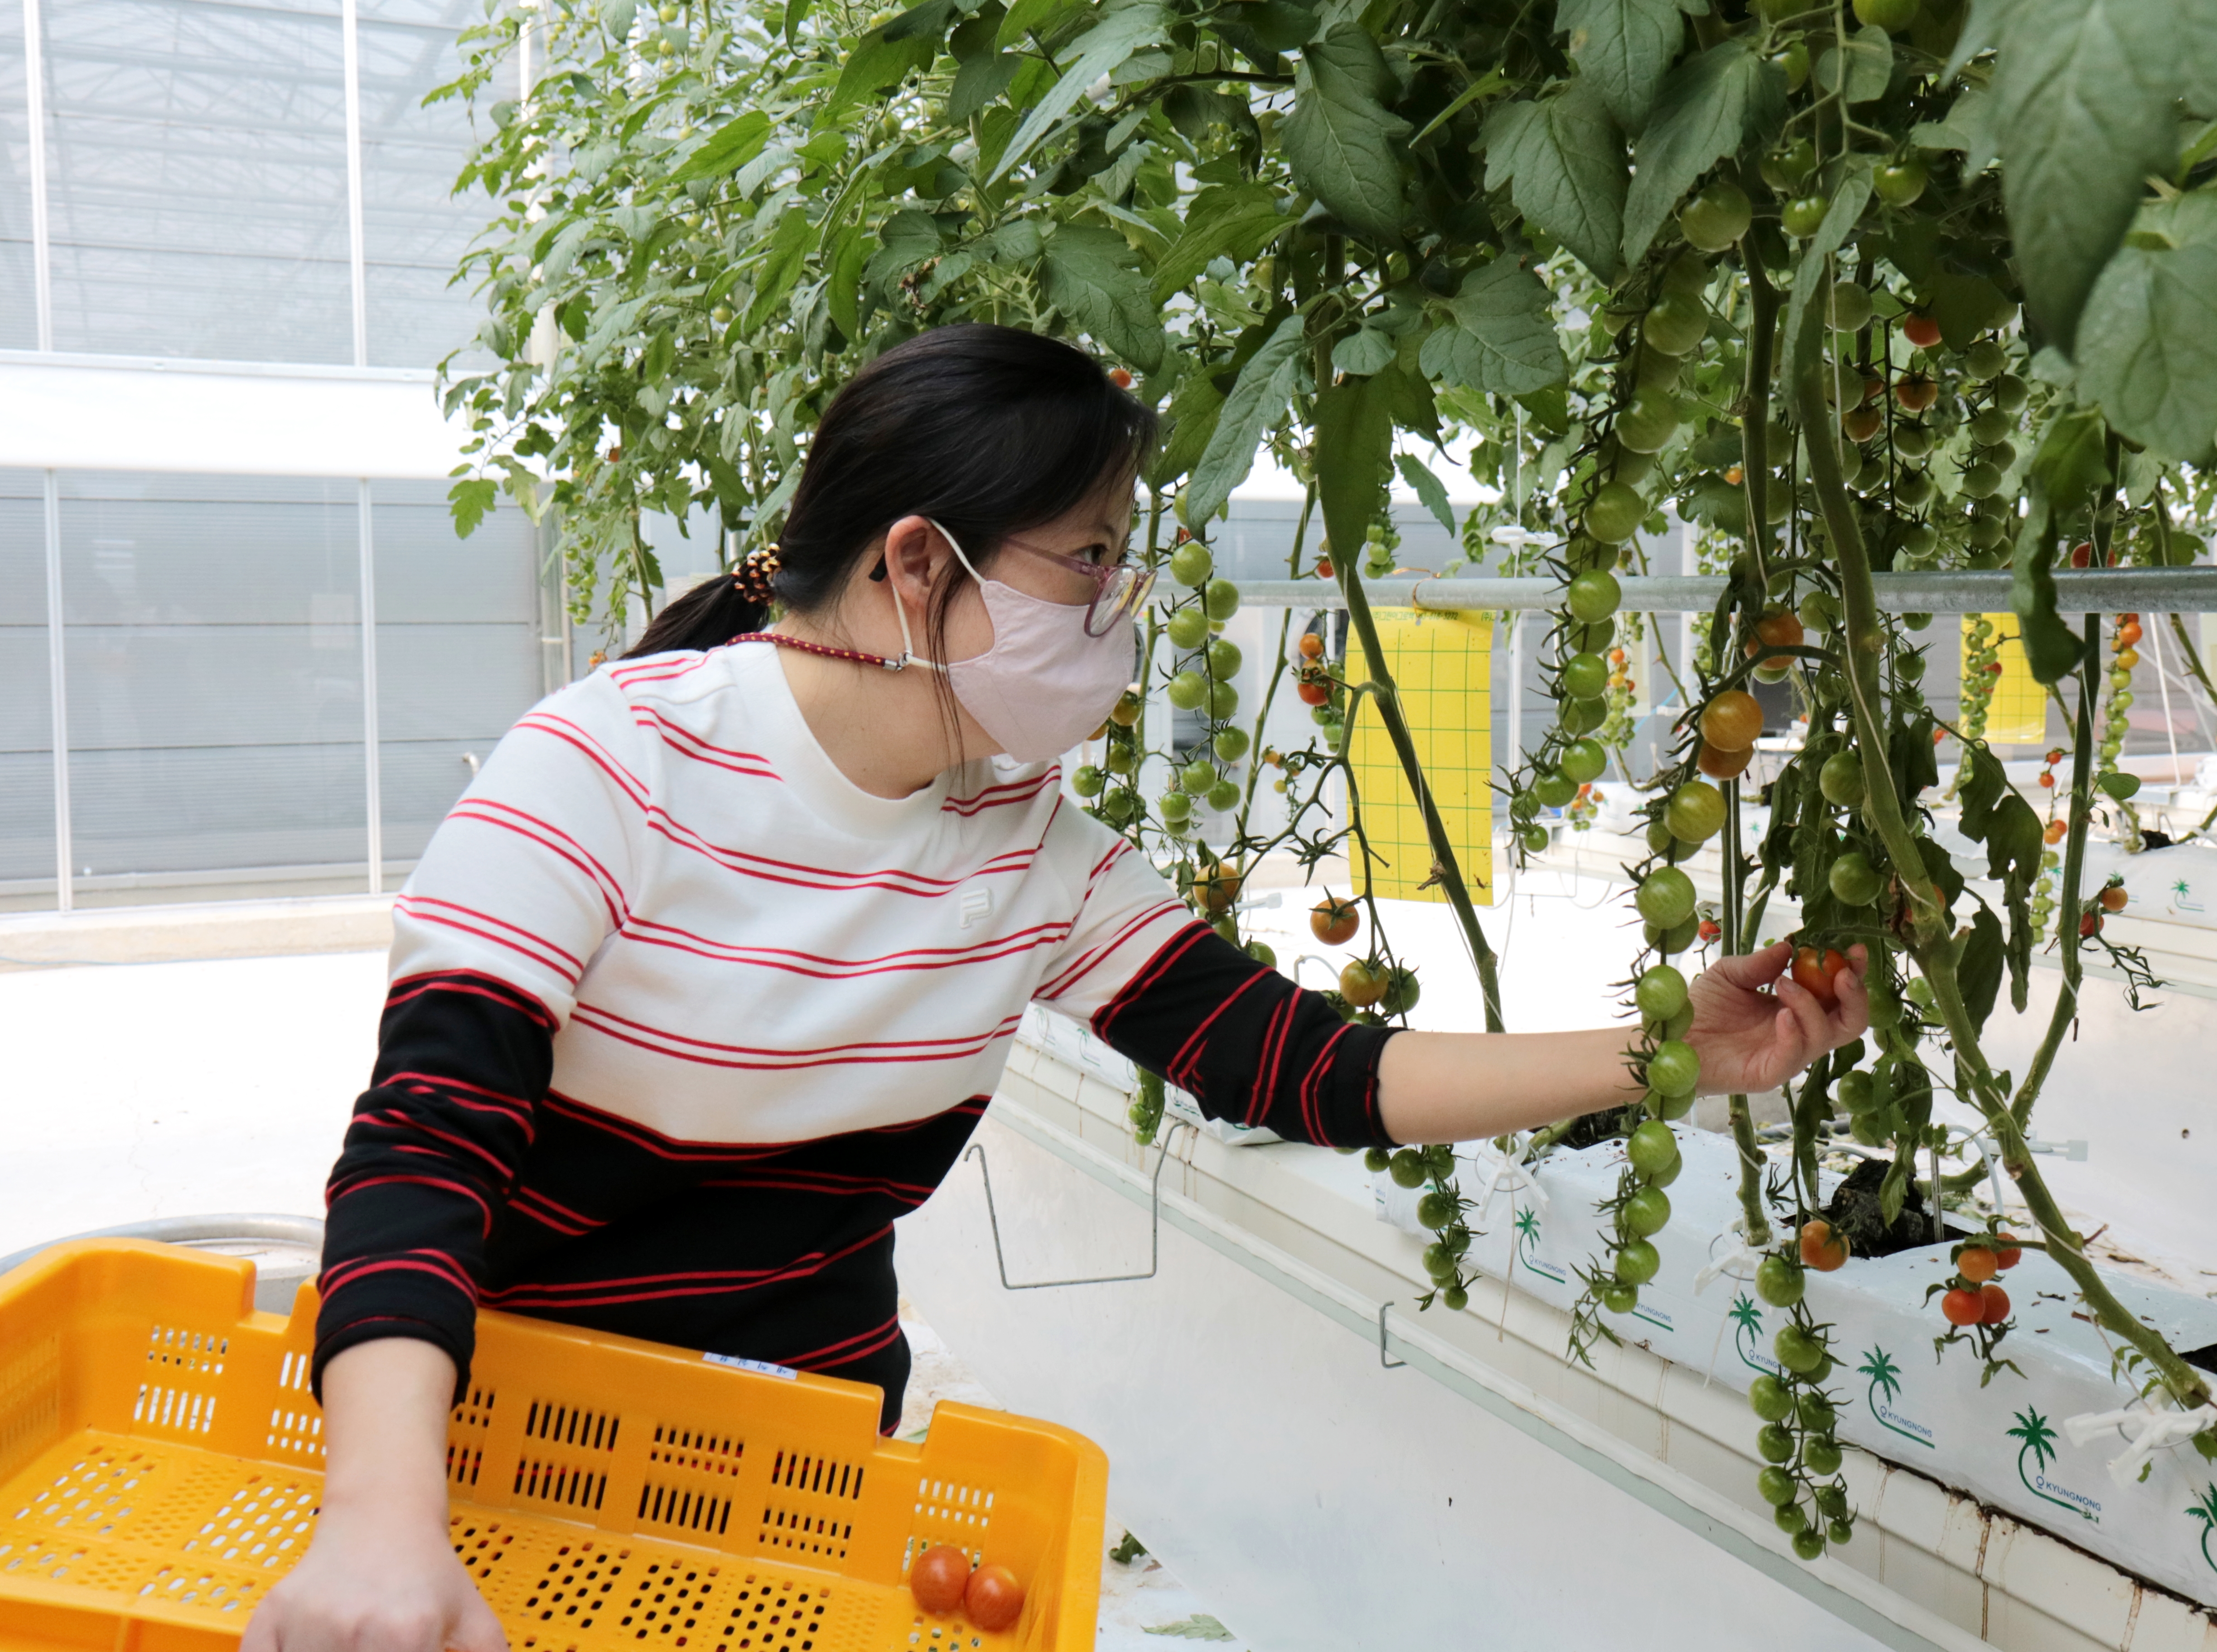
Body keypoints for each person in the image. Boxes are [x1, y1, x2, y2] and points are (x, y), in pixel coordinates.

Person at [243, 324, 1869, 1652]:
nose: (1114, 614)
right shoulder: (607, 769)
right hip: (505, 1453)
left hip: (806, 1466)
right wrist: (380, 1524)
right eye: (1088, 563)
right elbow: (422, 1154)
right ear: (917, 562)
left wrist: (1671, 1053)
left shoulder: (1030, 852)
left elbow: (1313, 1073)